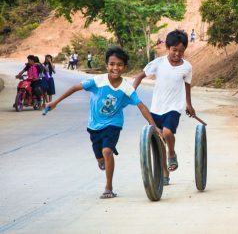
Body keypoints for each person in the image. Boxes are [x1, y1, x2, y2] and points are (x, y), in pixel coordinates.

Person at [46, 47, 161, 199]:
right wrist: (56, 102)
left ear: (124, 67)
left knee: (107, 151)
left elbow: (141, 106)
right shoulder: (97, 81)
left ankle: (108, 187)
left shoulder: (126, 88)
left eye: (119, 65)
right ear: (107, 65)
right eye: (112, 64)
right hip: (94, 126)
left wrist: (154, 126)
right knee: (100, 157)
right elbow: (75, 87)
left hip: (114, 124)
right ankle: (102, 161)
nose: (115, 68)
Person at [133, 29, 195, 186]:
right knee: (160, 143)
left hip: (174, 107)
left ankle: (172, 153)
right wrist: (131, 91)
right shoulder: (158, 63)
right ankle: (165, 174)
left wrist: (189, 104)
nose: (177, 54)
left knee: (167, 132)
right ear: (168, 47)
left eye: (181, 51)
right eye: (174, 50)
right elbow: (140, 76)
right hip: (156, 108)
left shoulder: (187, 67)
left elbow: (187, 86)